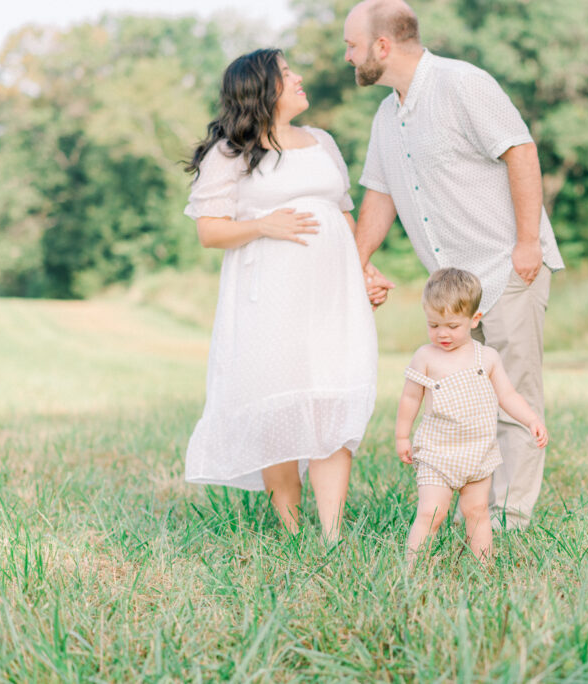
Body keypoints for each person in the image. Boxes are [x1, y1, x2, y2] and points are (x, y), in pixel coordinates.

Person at [344, 0, 565, 530]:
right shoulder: (385, 116)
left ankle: (509, 518)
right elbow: (380, 193)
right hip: (451, 292)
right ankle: (475, 508)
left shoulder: (462, 84)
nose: (346, 56)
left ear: (382, 46)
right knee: (466, 400)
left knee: (513, 394)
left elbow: (521, 151)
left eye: (351, 45)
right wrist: (355, 264)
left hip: (508, 268)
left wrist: (528, 243)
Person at [182, 48, 377, 541]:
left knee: (332, 396)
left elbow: (344, 214)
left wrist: (365, 271)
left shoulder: (323, 141)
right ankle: (289, 531)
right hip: (269, 299)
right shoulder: (232, 153)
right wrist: (265, 224)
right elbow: (210, 231)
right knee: (280, 406)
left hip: (333, 297)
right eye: (288, 74)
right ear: (261, 89)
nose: (300, 79)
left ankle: (332, 533)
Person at [397, 268, 548, 564]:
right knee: (432, 512)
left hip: (478, 452)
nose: (442, 333)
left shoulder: (486, 358)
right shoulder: (425, 357)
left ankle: (483, 566)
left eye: (452, 326)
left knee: (477, 512)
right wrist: (402, 435)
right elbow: (410, 398)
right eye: (434, 324)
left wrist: (530, 419)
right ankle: (411, 568)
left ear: (474, 320)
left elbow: (508, 396)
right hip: (437, 452)